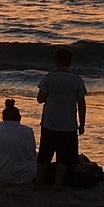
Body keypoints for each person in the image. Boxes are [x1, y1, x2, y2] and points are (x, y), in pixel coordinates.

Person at [36, 47, 87, 188]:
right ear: (70, 62)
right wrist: (82, 124)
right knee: (64, 158)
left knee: (44, 155)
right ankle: (58, 184)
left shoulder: (49, 78)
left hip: (50, 122)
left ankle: (39, 183)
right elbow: (82, 104)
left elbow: (40, 99)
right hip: (69, 124)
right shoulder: (76, 80)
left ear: (55, 61)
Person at [0, 98, 37, 183]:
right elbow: (31, 153)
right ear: (19, 118)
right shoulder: (27, 131)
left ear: (3, 118)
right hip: (23, 176)